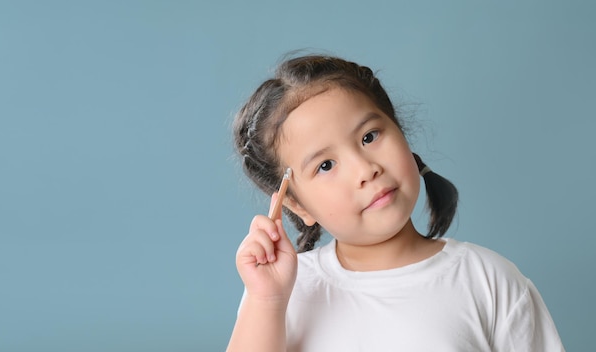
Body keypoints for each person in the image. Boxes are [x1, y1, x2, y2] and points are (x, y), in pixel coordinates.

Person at [226, 54, 564, 352]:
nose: (365, 169)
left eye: (369, 137)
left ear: (401, 132)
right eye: (325, 165)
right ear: (299, 207)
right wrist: (267, 300)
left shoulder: (489, 281)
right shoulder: (281, 295)